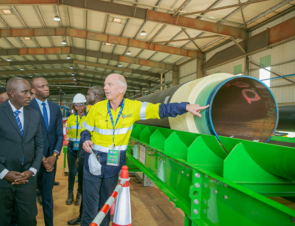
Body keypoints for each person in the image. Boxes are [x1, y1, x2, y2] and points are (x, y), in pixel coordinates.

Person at [81, 74, 209, 226]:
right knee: (90, 207)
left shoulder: (133, 107)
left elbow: (161, 110)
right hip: (94, 161)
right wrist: (85, 139)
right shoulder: (97, 109)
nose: (105, 88)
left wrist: (186, 107)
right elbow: (85, 131)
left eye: (109, 85)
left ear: (121, 89)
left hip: (114, 163)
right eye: (104, 84)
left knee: (106, 204)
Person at [0, 77, 44, 226]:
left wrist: (33, 170)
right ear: (12, 93)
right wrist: (4, 173)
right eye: (25, 92)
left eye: (30, 91)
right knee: (1, 220)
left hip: (27, 179)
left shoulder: (34, 114)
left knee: (28, 220)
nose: (30, 95)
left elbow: (39, 145)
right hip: (1, 181)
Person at [28, 76, 63, 226]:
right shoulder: (28, 107)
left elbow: (59, 134)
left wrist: (54, 156)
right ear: (33, 90)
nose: (46, 88)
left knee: (48, 198)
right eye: (42, 86)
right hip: (34, 160)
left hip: (51, 160)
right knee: (30, 198)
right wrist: (41, 158)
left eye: (47, 85)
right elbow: (27, 136)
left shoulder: (55, 108)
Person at [68, 86, 104, 225]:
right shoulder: (90, 112)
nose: (86, 97)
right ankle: (83, 217)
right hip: (85, 155)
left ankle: (98, 218)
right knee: (85, 189)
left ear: (95, 95)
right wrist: (79, 157)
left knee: (96, 191)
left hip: (97, 156)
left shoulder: (100, 111)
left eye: (88, 95)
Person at [66, 93, 87, 206]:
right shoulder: (70, 119)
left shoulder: (88, 117)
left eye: (82, 104)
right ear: (74, 106)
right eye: (77, 105)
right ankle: (70, 193)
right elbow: (69, 132)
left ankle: (79, 193)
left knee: (81, 172)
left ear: (85, 105)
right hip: (72, 148)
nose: (79, 107)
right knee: (72, 172)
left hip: (83, 149)